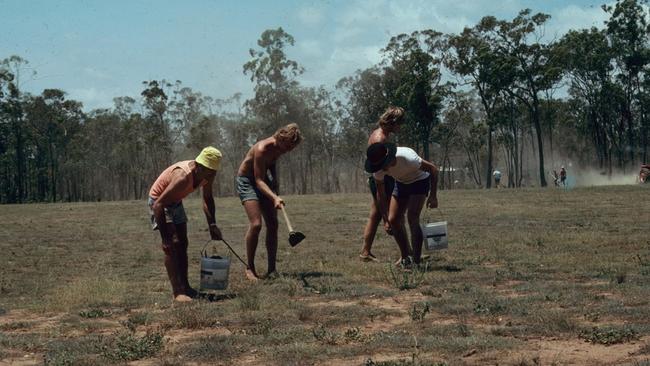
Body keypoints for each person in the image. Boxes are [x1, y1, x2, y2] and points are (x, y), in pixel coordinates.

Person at [148, 147, 223, 302]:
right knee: (172, 244)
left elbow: (207, 199)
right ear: (198, 166)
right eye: (209, 171)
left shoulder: (207, 175)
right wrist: (165, 239)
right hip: (159, 202)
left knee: (183, 243)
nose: (211, 176)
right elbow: (158, 205)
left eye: (214, 172)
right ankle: (177, 292)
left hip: (175, 202)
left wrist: (212, 225)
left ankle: (186, 287)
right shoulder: (182, 176)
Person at [236, 123, 303, 281]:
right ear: (281, 138)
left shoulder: (279, 148)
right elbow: (258, 180)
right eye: (287, 147)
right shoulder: (261, 149)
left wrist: (275, 185)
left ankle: (272, 269)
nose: (287, 151)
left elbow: (271, 165)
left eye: (290, 149)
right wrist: (274, 197)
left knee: (273, 224)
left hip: (264, 181)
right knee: (256, 224)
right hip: (247, 182)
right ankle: (250, 268)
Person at [365, 142, 439, 267]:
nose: (382, 169)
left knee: (412, 218)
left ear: (390, 158)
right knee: (393, 219)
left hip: (419, 181)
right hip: (401, 183)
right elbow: (381, 195)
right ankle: (406, 256)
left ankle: (415, 260)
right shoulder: (378, 170)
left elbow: (433, 169)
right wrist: (385, 219)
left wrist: (433, 195)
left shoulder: (408, 158)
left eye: (383, 165)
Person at [360, 106, 405, 262]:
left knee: (375, 214)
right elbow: (379, 167)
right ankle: (407, 253)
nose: (400, 127)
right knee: (395, 215)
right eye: (399, 123)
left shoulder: (381, 133)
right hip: (382, 179)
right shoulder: (380, 139)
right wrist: (387, 220)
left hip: (380, 177)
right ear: (393, 122)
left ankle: (365, 252)